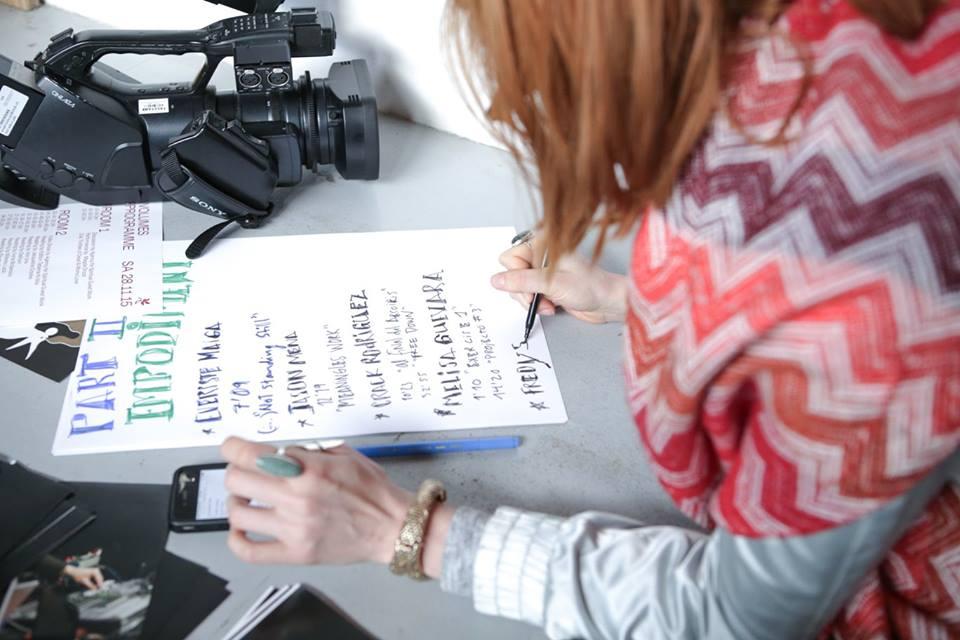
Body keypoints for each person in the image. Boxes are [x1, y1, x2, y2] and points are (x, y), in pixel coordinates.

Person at [220, 0, 960, 637]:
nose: (516, 107)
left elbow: (736, 617)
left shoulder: (872, 242)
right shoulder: (834, 50)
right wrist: (633, 297)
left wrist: (405, 532)